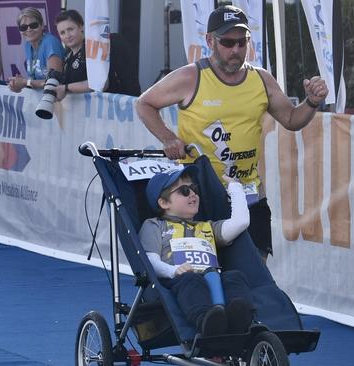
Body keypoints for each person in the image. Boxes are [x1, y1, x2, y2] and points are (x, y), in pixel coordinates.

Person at [135, 5, 328, 262]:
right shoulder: (191, 77)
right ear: (210, 41)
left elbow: (292, 119)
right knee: (207, 274)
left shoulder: (261, 79)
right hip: (201, 196)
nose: (235, 50)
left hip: (249, 195)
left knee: (256, 274)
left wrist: (312, 102)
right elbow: (144, 103)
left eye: (242, 42)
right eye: (227, 42)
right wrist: (168, 138)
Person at [139, 166, 255, 336]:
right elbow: (149, 260)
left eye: (194, 189)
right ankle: (207, 322)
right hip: (179, 280)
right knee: (191, 281)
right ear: (164, 203)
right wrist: (173, 271)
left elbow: (241, 222)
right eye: (184, 191)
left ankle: (240, 317)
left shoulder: (208, 226)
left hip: (213, 277)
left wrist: (235, 187)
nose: (192, 194)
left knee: (235, 277)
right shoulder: (155, 225)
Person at [53, 9, 140, 101]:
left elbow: (101, 83)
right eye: (62, 33)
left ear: (81, 27)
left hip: (107, 110)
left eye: (70, 29)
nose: (67, 35)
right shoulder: (67, 56)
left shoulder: (93, 48)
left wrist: (66, 88)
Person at [8, 7, 63, 92]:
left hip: (58, 101)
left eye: (33, 25)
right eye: (23, 27)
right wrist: (19, 84)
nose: (29, 29)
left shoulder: (50, 43)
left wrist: (25, 82)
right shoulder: (28, 45)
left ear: (42, 25)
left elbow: (54, 82)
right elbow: (34, 80)